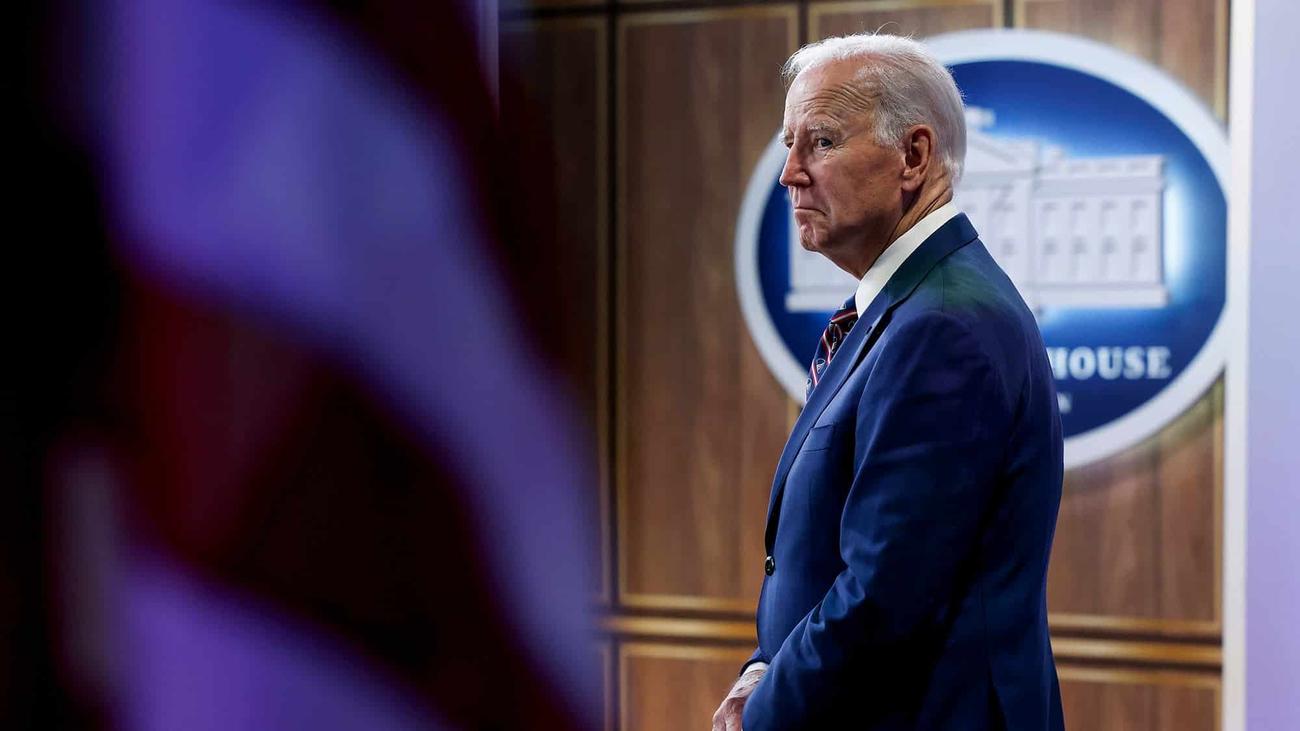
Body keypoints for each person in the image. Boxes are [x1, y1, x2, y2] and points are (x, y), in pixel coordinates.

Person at [712, 34, 1064, 731]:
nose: (789, 174)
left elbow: (885, 594)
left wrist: (764, 712)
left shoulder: (943, 326)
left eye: (820, 141)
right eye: (789, 143)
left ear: (913, 155)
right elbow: (826, 561)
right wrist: (763, 667)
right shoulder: (908, 308)